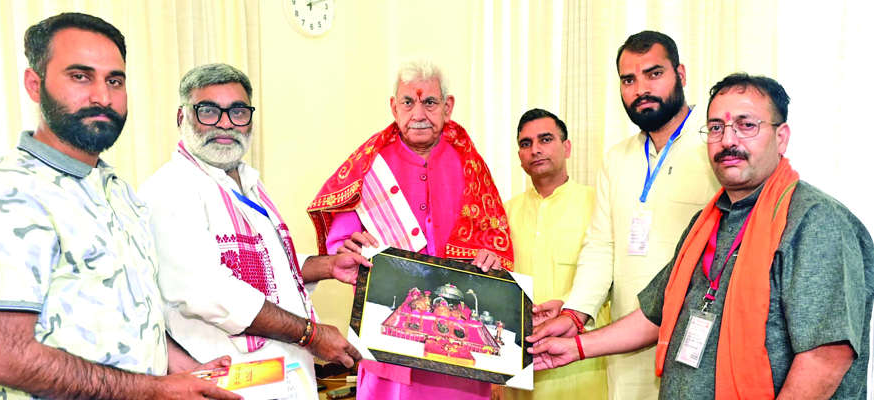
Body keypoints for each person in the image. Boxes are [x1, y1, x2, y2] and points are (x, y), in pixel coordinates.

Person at [530, 73, 874, 399]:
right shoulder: (708, 221)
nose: (728, 140)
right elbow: (656, 314)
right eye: (716, 127)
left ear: (781, 137)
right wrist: (576, 347)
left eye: (746, 125)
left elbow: (827, 356)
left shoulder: (815, 221)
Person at [0, 13, 238, 399]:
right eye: (80, 76)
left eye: (114, 81)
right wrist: (153, 390)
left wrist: (183, 369)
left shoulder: (118, 191)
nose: (102, 97)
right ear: (34, 84)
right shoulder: (12, 192)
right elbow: (4, 355)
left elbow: (127, 318)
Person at [140, 63, 366, 395]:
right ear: (181, 117)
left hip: (285, 377)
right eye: (208, 111)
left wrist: (327, 266)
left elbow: (263, 267)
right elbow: (210, 292)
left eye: (238, 111)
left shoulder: (246, 182)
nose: (225, 123)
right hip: (230, 383)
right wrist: (311, 335)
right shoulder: (171, 189)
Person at [530, 30, 720, 399]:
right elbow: (601, 247)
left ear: (681, 74)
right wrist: (575, 313)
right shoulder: (617, 159)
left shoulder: (713, 148)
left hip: (695, 344)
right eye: (628, 80)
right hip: (623, 346)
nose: (641, 89)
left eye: (654, 74)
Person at [307, 60, 513, 400]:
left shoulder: (469, 163)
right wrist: (349, 246)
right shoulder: (371, 164)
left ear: (447, 107)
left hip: (457, 351)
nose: (418, 113)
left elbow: (494, 239)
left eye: (429, 102)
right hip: (392, 343)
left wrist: (490, 258)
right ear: (393, 107)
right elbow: (340, 243)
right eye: (408, 102)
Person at [501, 108, 607, 400]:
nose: (535, 149)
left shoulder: (598, 205)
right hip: (522, 369)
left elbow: (613, 281)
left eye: (545, 139)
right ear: (519, 155)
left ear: (567, 147)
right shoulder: (504, 213)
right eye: (526, 143)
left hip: (582, 368)